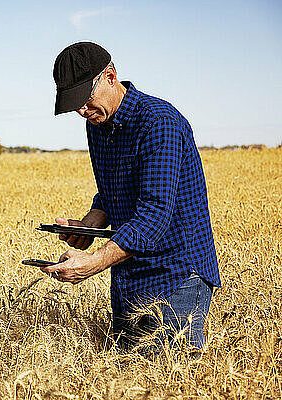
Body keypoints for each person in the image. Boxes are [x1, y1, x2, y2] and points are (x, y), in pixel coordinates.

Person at [41, 42, 221, 353]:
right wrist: (89, 224)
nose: (83, 111)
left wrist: (94, 263)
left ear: (109, 77)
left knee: (170, 381)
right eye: (75, 106)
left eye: (85, 100)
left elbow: (154, 215)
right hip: (129, 274)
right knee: (129, 380)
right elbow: (114, 187)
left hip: (175, 275)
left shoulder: (158, 122)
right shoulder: (97, 124)